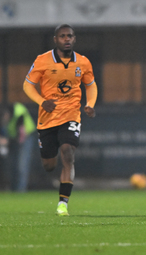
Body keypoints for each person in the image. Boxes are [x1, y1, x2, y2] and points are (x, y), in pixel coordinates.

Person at [23, 24, 98, 216]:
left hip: (71, 115)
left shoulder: (83, 62)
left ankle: (63, 203)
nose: (67, 39)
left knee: (68, 152)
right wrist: (42, 101)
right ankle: (52, 161)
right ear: (55, 39)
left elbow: (91, 85)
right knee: (49, 165)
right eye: (62, 36)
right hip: (47, 119)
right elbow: (28, 85)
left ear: (74, 39)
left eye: (70, 36)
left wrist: (90, 103)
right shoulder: (42, 61)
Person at [3, 103, 36, 192]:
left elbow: (21, 136)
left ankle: (20, 190)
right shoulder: (11, 115)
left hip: (25, 139)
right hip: (15, 140)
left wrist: (7, 141)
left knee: (21, 165)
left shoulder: (18, 113)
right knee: (14, 165)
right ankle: (14, 189)